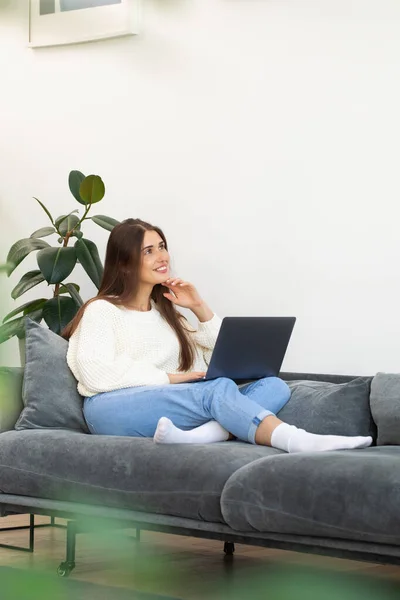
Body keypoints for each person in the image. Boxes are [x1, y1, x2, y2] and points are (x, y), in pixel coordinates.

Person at [63, 219, 372, 453]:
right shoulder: (102, 310)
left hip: (167, 406)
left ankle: (204, 434)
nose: (162, 256)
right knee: (219, 390)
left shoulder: (167, 315)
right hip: (107, 409)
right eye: (149, 250)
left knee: (274, 385)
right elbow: (97, 374)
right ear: (125, 264)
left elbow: (211, 363)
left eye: (162, 246)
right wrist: (173, 379)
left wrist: (199, 307)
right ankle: (296, 440)